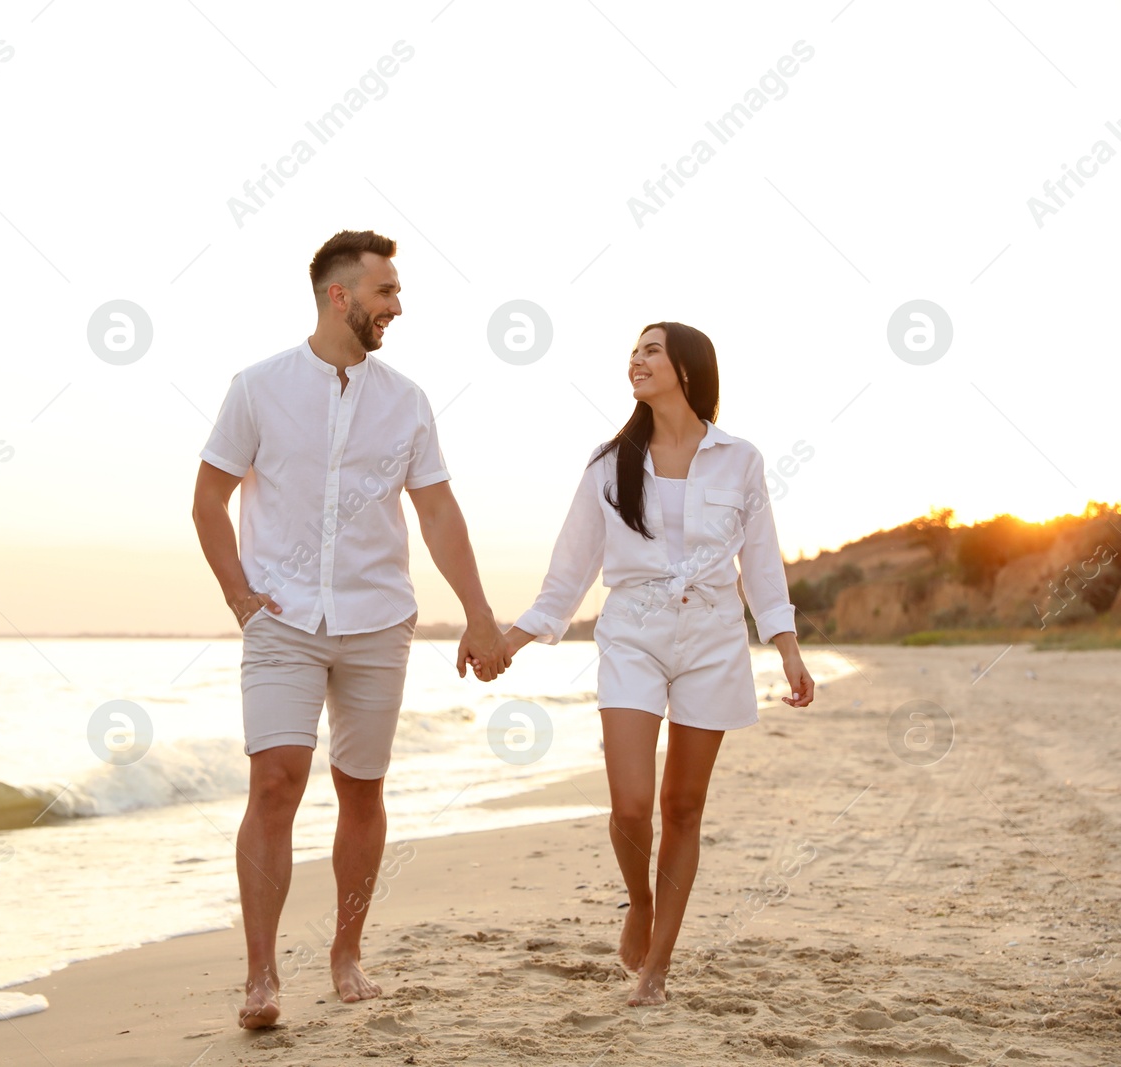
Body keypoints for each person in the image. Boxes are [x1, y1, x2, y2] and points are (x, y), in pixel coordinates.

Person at [191, 229, 511, 1029]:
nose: (396, 306)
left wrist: (478, 613)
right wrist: (239, 594)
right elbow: (208, 498)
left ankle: (346, 950)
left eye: (395, 293)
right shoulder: (257, 387)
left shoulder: (406, 400)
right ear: (340, 296)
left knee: (361, 788)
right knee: (275, 782)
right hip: (282, 619)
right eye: (385, 293)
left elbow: (436, 511)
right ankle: (261, 976)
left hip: (377, 620)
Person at [487, 321, 815, 1006]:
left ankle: (657, 967)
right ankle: (640, 899)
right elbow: (568, 573)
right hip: (631, 635)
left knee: (684, 805)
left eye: (650, 350)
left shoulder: (740, 460)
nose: (635, 360)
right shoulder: (609, 463)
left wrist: (786, 648)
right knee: (632, 804)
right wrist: (510, 641)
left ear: (688, 369)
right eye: (632, 351)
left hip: (713, 640)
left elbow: (760, 563)